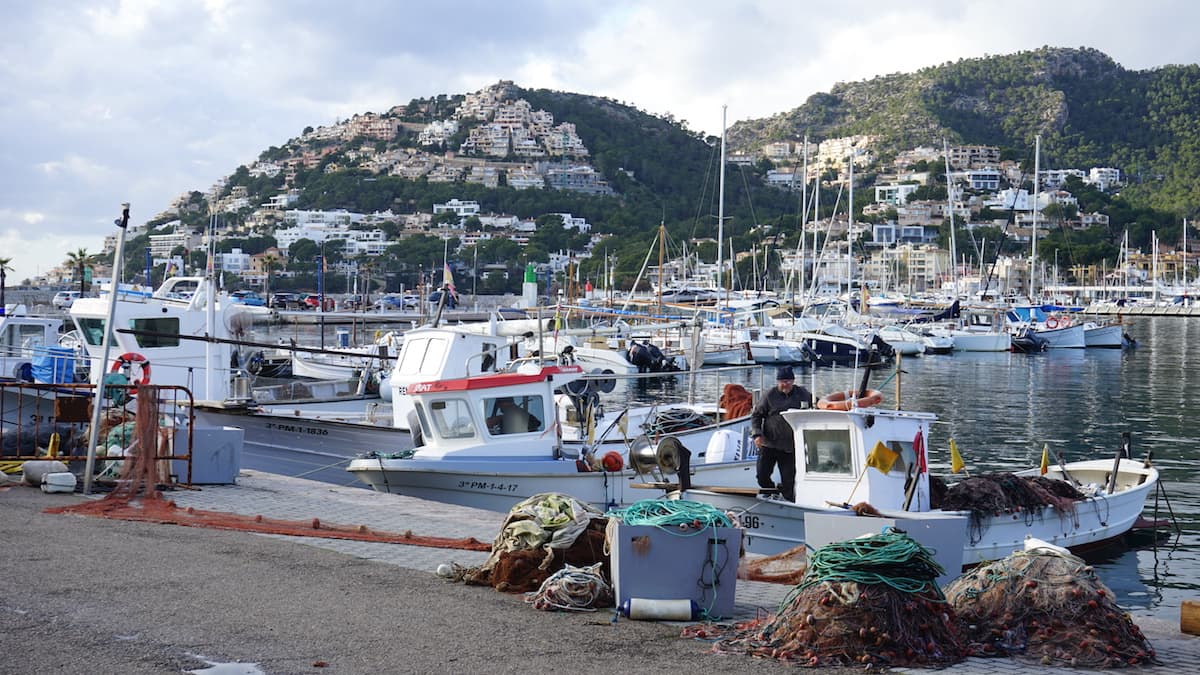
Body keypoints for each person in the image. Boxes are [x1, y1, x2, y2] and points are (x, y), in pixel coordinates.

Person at [749, 366, 814, 502]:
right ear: (778, 382)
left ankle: (789, 503)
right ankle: (772, 491)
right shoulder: (769, 395)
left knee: (789, 480)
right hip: (769, 444)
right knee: (762, 476)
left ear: (793, 381)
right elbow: (756, 416)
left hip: (790, 447)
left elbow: (816, 404)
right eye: (783, 381)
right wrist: (757, 434)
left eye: (789, 381)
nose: (786, 384)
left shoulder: (802, 394)